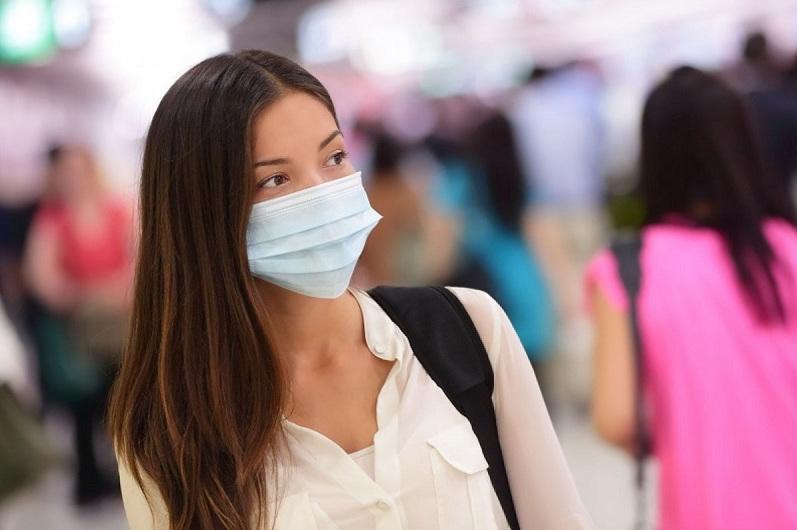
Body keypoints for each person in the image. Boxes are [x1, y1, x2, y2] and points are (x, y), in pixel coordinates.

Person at [109, 50, 593, 530]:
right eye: (275, 180)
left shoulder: (468, 329)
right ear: (203, 214)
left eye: (334, 157)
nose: (322, 193)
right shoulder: (169, 427)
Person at [586, 67, 797, 530]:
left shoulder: (627, 268)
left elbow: (616, 418)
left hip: (709, 510)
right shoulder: (786, 248)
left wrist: (695, 425)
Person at [24, 144, 133, 506]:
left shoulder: (118, 208)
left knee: (125, 403)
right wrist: (81, 297)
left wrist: (111, 292)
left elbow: (139, 262)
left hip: (122, 327)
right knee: (85, 405)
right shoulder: (53, 218)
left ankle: (126, 473)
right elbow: (41, 275)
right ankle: (90, 478)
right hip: (79, 331)